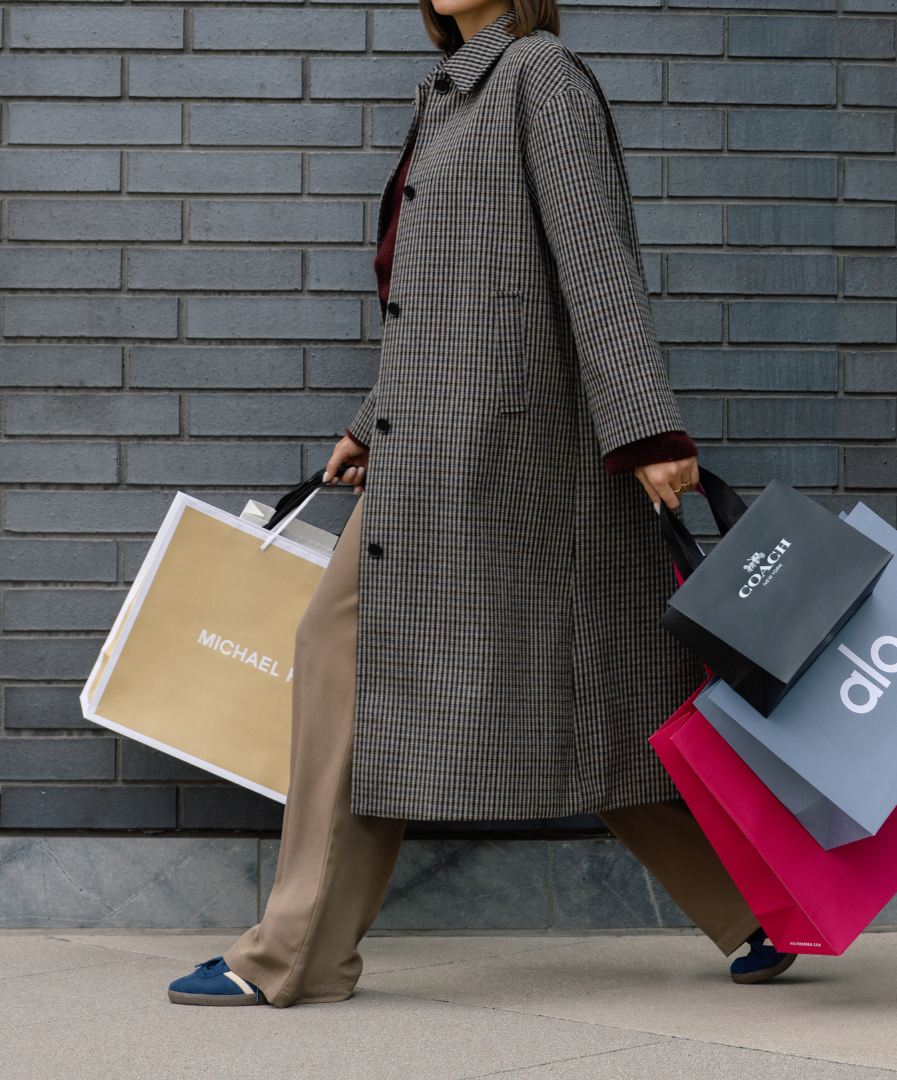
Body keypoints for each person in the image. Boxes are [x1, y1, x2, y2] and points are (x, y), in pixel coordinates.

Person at [167, 0, 795, 1008]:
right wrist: (375, 424)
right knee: (588, 693)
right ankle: (762, 911)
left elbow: (593, 262)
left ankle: (294, 954)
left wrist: (648, 430)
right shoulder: (452, 90)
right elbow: (449, 295)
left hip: (511, 457)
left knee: (363, 658)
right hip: (449, 452)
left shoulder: (540, 74)